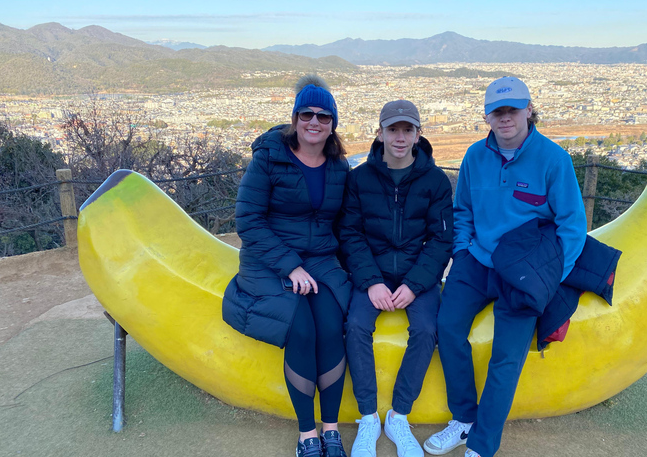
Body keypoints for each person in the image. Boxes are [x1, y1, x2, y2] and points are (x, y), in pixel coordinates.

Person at [423, 77, 588, 457]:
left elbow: (572, 226)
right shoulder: (474, 157)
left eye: (513, 109)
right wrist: (462, 252)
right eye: (498, 111)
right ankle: (463, 419)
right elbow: (461, 210)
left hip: (527, 270)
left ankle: (481, 444)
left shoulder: (553, 159)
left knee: (507, 355)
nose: (506, 118)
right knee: (447, 328)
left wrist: (550, 278)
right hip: (477, 260)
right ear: (487, 116)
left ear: (529, 109)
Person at [222, 74, 351, 457]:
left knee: (331, 328)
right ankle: (306, 433)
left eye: (323, 117)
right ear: (294, 119)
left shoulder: (338, 168)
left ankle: (331, 429)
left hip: (321, 262)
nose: (314, 122)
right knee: (301, 330)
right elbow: (248, 220)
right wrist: (290, 266)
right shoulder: (269, 159)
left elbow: (344, 224)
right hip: (269, 262)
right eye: (307, 114)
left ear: (333, 125)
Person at [339, 100, 453, 457]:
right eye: (393, 129)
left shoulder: (435, 180)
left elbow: (441, 239)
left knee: (426, 330)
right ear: (379, 133)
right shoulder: (358, 178)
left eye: (407, 130)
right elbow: (350, 234)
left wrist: (415, 284)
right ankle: (368, 416)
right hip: (370, 272)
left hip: (416, 272)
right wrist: (371, 281)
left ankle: (399, 414)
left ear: (418, 134)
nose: (400, 137)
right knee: (356, 326)